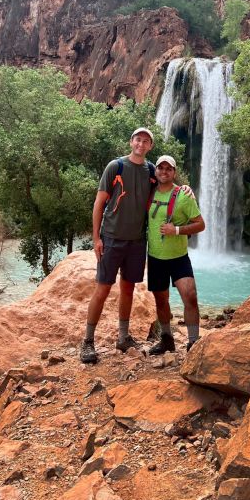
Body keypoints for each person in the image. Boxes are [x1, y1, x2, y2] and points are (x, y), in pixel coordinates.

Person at [80, 127, 156, 365]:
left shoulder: (151, 171)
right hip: (112, 238)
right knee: (102, 289)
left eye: (145, 141)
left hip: (136, 241)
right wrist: (96, 238)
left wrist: (185, 190)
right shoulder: (116, 167)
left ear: (150, 146)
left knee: (128, 289)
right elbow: (99, 203)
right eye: (137, 140)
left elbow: (163, 194)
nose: (141, 144)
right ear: (131, 142)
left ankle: (123, 337)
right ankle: (88, 341)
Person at [147, 154, 205, 354]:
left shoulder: (183, 195)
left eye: (168, 169)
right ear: (155, 171)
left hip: (179, 258)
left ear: (174, 172)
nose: (164, 171)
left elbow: (200, 224)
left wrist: (177, 230)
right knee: (161, 301)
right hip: (155, 258)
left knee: (190, 296)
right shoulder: (149, 193)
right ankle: (166, 340)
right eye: (160, 168)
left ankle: (193, 343)